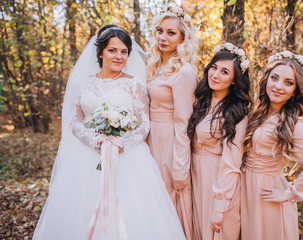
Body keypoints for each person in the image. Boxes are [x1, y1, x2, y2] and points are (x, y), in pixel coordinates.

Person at [33, 25, 186, 240]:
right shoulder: (83, 82)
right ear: (101, 52)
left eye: (124, 51)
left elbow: (144, 124)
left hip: (127, 157)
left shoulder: (135, 85)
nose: (119, 56)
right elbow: (74, 120)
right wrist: (93, 139)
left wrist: (123, 144)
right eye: (112, 50)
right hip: (86, 156)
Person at [240, 51, 303, 240]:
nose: (279, 86)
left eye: (288, 83)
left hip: (267, 195)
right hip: (244, 189)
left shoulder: (294, 124)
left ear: (296, 91)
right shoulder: (257, 114)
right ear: (266, 80)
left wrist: (290, 192)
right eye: (275, 78)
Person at [187, 43, 252, 240]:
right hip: (196, 178)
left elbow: (232, 163)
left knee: (217, 232)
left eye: (224, 72)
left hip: (219, 181)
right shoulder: (200, 103)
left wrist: (220, 205)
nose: (215, 75)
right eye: (214, 67)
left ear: (234, 80)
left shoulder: (236, 113)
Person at [146, 5, 198, 239]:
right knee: (150, 199)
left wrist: (180, 168)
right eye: (160, 31)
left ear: (183, 38)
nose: (163, 37)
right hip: (148, 141)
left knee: (169, 199)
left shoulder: (184, 73)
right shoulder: (155, 67)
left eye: (171, 32)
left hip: (168, 144)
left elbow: (183, 123)